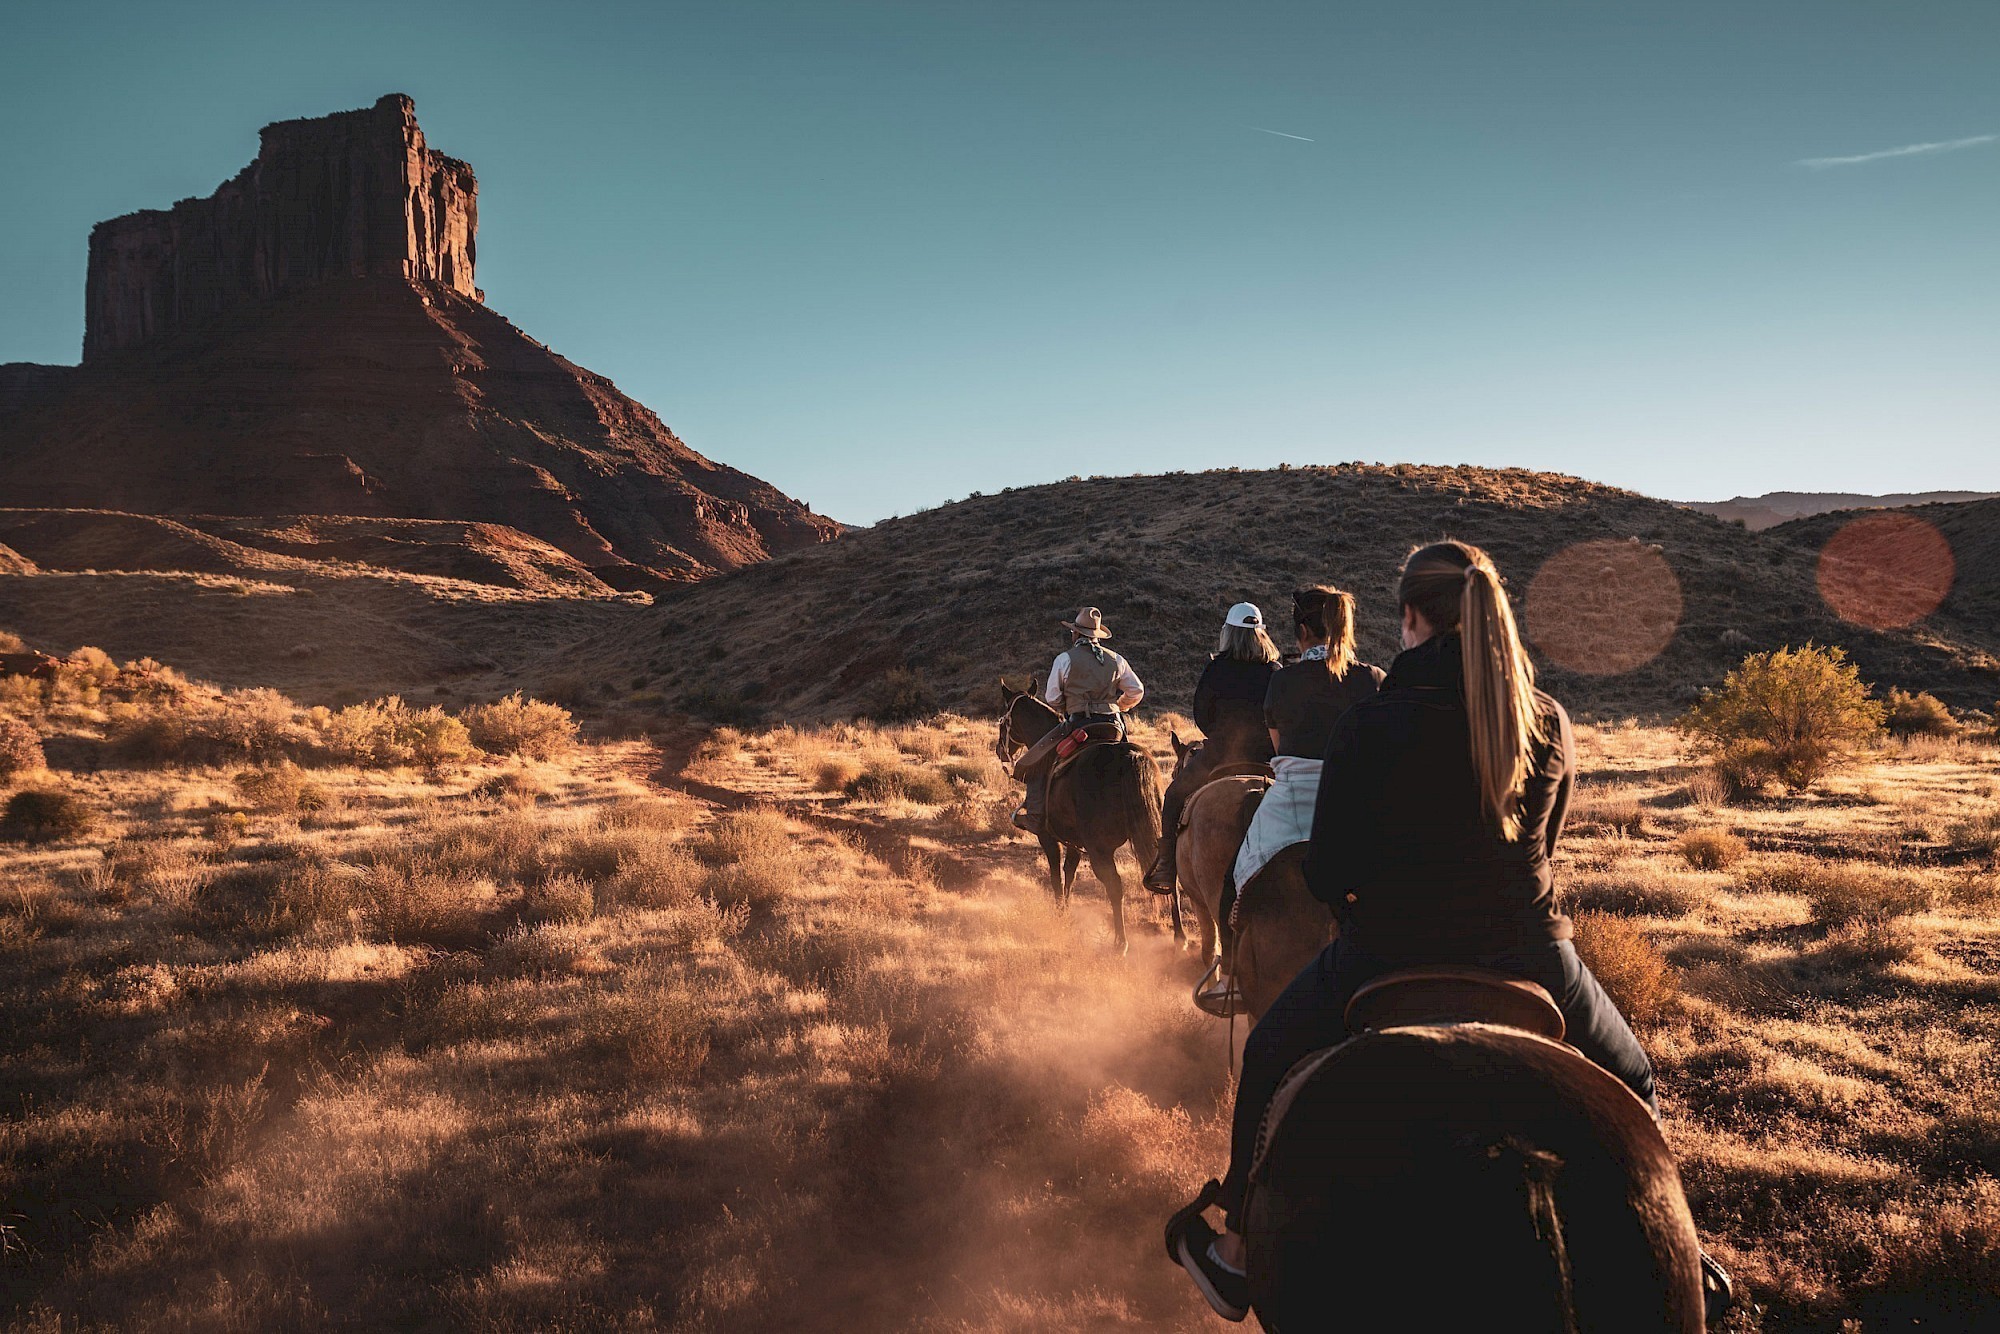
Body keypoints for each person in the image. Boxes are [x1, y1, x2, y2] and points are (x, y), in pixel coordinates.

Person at [1165, 540, 1664, 1323]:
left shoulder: (1373, 717)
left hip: (1387, 951)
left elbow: (1329, 872)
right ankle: (1683, 1254)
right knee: (1633, 1081)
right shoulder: (1545, 718)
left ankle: (1235, 1248)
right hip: (1532, 952)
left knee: (1266, 1054)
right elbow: (1549, 848)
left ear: (1409, 617)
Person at [1197, 587, 1384, 1006]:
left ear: (1302, 630)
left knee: (1238, 875)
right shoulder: (1371, 679)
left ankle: (1230, 975)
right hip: (1353, 804)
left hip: (1292, 802)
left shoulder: (1283, 680)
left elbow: (1280, 747)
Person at [1142, 603, 1280, 895]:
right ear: (1260, 635)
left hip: (1221, 754)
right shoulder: (1274, 670)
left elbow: (1201, 713)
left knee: (1175, 795)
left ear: (1228, 634)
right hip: (1269, 757)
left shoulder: (1216, 668)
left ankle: (1167, 865)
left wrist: (1221, 736)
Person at [1011, 607, 1145, 835]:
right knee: (1134, 759)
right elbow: (1136, 690)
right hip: (1114, 728)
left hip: (1079, 724)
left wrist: (1069, 705)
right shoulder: (1117, 660)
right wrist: (1118, 706)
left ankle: (1034, 817)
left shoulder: (1065, 659)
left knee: (1036, 760)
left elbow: (1052, 697)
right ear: (1097, 636)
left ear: (1075, 634)